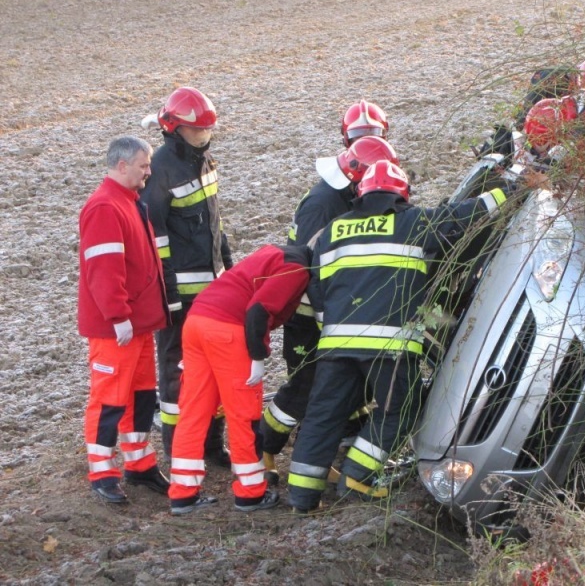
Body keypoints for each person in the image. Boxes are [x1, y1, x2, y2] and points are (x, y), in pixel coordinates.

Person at [287, 160, 529, 513]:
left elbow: (317, 288)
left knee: (324, 414)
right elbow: (469, 213)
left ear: (361, 193)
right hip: (389, 346)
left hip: (336, 345)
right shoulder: (413, 222)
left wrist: (334, 328)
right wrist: (514, 187)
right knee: (401, 406)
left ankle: (302, 498)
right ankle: (356, 477)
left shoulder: (332, 231)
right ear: (402, 195)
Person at [261, 135, 399, 487]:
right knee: (306, 386)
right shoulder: (324, 205)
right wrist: (326, 315)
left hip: (328, 309)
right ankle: (262, 446)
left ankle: (337, 451)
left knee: (338, 387)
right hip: (308, 312)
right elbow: (310, 265)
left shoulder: (338, 198)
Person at [168, 244, 311, 515]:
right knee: (243, 416)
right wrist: (258, 354)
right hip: (228, 332)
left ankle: (182, 494)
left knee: (193, 412)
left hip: (197, 321)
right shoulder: (298, 269)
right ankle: (250, 493)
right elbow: (258, 310)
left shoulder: (273, 252)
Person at [140, 86, 233, 467]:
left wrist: (229, 266)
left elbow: (214, 222)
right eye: (197, 131)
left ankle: (212, 446)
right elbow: (155, 239)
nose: (204, 136)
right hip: (181, 293)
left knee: (216, 367)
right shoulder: (160, 170)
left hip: (214, 287)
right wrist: (169, 293)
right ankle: (180, 450)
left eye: (208, 130)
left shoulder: (204, 160)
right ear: (174, 128)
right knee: (176, 370)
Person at [78, 135, 170, 504]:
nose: (149, 170)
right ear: (121, 166)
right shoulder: (105, 207)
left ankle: (139, 464)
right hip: (119, 327)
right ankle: (102, 472)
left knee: (140, 396)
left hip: (137, 324)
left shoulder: (127, 202)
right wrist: (118, 316)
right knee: (109, 400)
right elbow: (104, 268)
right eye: (143, 165)